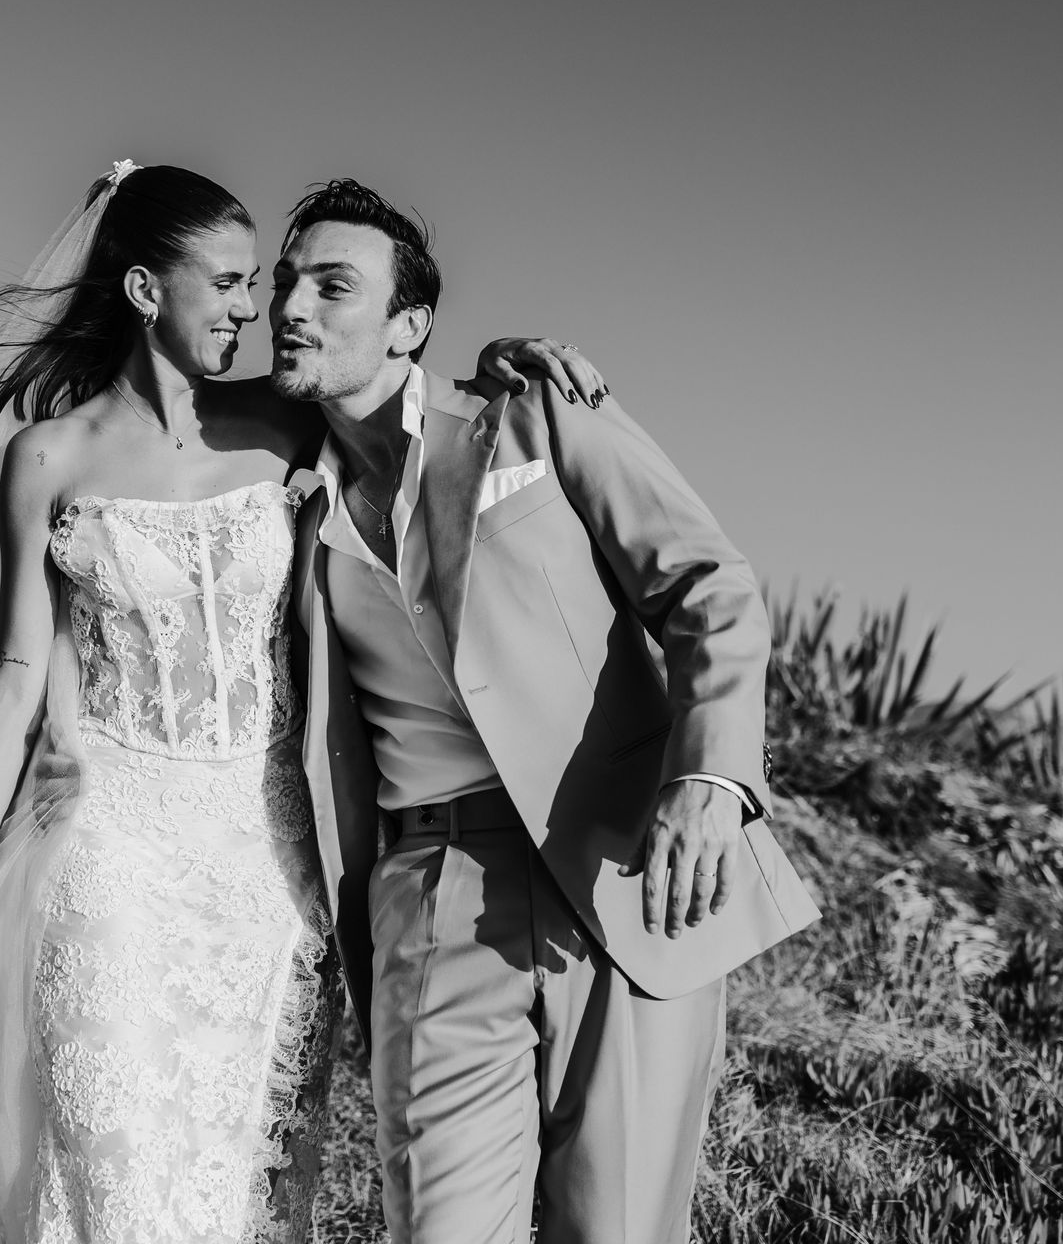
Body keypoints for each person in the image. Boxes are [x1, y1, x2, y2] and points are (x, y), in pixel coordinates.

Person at [0, 160, 603, 1244]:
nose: (257, 310)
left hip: (269, 865)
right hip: (108, 847)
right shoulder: (46, 459)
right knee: (117, 1183)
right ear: (148, 290)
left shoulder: (284, 424)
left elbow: (402, 407)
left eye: (259, 284)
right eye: (232, 283)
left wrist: (502, 363)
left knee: (239, 1188)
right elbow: (16, 676)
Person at [271, 179, 822, 1244]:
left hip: (622, 868)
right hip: (428, 891)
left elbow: (708, 587)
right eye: (285, 282)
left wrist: (709, 781)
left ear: (409, 326)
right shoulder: (285, 486)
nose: (292, 306)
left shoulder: (534, 411)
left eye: (333, 286)